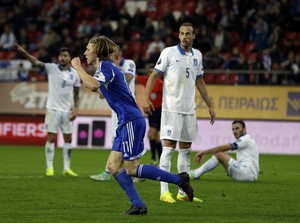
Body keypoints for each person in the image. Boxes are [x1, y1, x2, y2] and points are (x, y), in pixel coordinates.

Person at [71, 35, 194, 215]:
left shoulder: (105, 66)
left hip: (130, 120)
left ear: (97, 51)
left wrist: (77, 67)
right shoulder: (104, 69)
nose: (85, 52)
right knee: (113, 165)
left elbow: (92, 84)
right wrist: (101, 90)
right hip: (125, 121)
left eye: (88, 49)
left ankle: (179, 179)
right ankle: (138, 205)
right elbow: (99, 88)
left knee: (132, 169)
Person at [143, 22, 216, 204]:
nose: (185, 36)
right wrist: (146, 98)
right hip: (171, 109)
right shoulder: (168, 52)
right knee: (168, 149)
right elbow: (153, 76)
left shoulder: (197, 55)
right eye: (182, 33)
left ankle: (182, 192)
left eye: (188, 33)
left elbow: (200, 82)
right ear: (179, 35)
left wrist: (210, 105)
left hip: (189, 110)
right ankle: (164, 191)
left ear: (194, 36)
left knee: (185, 151)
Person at [14, 43, 80, 177]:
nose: (62, 58)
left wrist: (76, 109)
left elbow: (77, 93)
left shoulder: (75, 74)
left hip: (67, 111)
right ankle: (49, 168)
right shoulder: (52, 68)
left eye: (65, 56)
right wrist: (23, 51)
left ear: (69, 58)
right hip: (53, 109)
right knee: (51, 138)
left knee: (68, 138)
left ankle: (67, 168)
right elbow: (36, 62)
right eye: (61, 55)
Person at [89, 45, 137, 182]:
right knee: (117, 137)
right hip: (117, 106)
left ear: (119, 54)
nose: (111, 55)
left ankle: (114, 171)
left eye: (114, 53)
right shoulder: (109, 67)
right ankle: (116, 171)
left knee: (122, 137)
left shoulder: (129, 63)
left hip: (126, 106)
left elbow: (127, 79)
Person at [190, 120, 260, 182]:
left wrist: (203, 152)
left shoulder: (245, 139)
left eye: (237, 128)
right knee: (220, 155)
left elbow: (223, 148)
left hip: (247, 173)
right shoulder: (245, 139)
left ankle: (196, 174)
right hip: (245, 171)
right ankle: (196, 173)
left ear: (244, 129)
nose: (235, 131)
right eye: (233, 129)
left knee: (220, 154)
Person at [136, 63, 163, 166]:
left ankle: (154, 159)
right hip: (151, 111)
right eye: (149, 72)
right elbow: (135, 78)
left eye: (153, 72)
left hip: (158, 111)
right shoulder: (146, 80)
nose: (151, 74)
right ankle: (160, 160)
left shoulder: (160, 83)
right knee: (156, 137)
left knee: (150, 134)